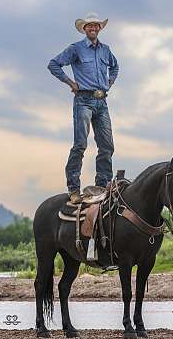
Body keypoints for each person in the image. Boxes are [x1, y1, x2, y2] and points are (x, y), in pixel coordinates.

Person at [47, 12, 119, 204]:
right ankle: (73, 189)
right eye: (89, 26)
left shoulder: (106, 50)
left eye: (96, 26)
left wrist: (109, 83)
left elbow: (115, 67)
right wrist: (70, 82)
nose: (93, 28)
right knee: (80, 144)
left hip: (102, 101)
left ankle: (102, 186)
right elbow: (54, 64)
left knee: (107, 145)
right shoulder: (76, 49)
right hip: (83, 100)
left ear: (99, 28)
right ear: (84, 29)